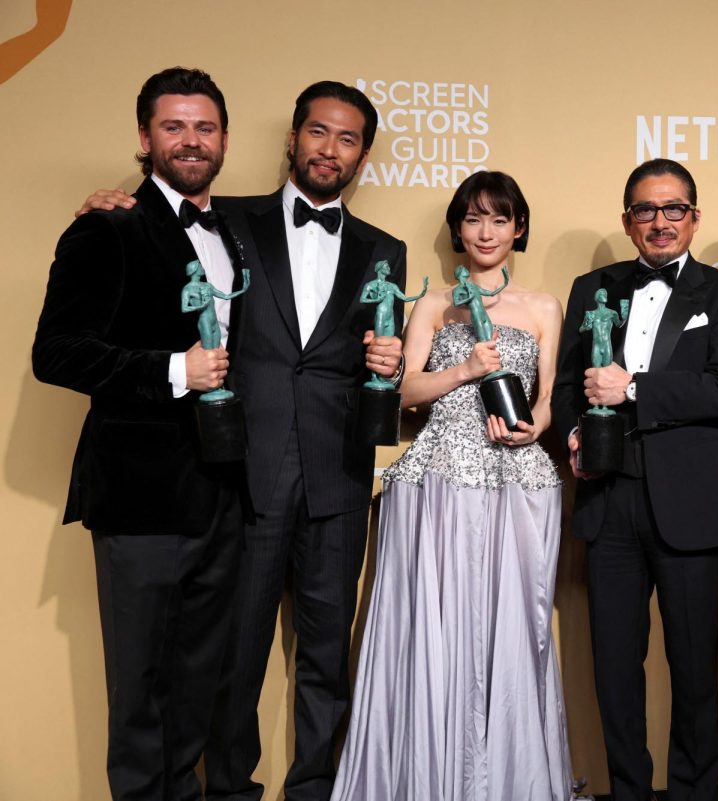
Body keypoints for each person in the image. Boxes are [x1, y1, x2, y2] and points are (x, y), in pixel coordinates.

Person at [78, 81, 407, 801]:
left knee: (327, 655)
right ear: (291, 138)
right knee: (233, 655)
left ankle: (314, 786)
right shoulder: (223, 220)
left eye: (348, 138)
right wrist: (108, 204)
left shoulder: (388, 249)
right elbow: (157, 231)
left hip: (339, 477)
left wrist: (392, 359)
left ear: (363, 154)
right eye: (318, 132)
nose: (330, 148)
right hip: (239, 472)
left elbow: (378, 354)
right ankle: (231, 788)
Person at [32, 67, 249, 801]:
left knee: (195, 683)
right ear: (144, 137)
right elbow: (56, 352)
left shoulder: (236, 234)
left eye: (205, 127)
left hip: (223, 494)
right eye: (174, 126)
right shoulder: (106, 225)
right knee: (139, 693)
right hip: (139, 497)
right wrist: (173, 369)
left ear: (225, 138)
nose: (191, 140)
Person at [331, 170, 573, 801]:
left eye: (498, 218)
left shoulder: (545, 306)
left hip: (518, 482)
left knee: (516, 632)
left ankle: (507, 781)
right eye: (472, 218)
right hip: (436, 482)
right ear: (457, 230)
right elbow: (404, 391)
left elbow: (550, 400)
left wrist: (533, 429)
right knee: (431, 633)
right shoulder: (434, 304)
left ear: (519, 227)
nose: (485, 231)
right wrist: (466, 368)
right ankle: (428, 781)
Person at [551, 158, 718, 801]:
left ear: (694, 218)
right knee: (615, 669)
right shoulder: (592, 288)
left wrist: (634, 386)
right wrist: (574, 434)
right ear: (627, 220)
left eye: (673, 210)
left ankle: (693, 793)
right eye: (646, 210)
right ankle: (629, 792)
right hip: (609, 498)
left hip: (690, 502)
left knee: (695, 669)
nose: (660, 222)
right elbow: (564, 389)